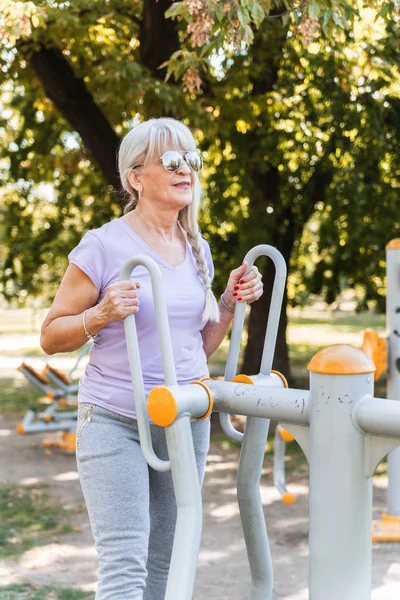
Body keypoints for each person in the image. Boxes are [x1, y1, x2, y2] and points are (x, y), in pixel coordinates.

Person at [40, 117, 263, 600]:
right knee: (125, 565)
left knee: (166, 560)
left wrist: (227, 303)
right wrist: (99, 314)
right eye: (173, 161)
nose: (187, 170)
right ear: (136, 177)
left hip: (184, 417)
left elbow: (197, 348)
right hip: (115, 419)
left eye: (192, 161)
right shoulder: (102, 245)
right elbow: (51, 336)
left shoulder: (195, 246)